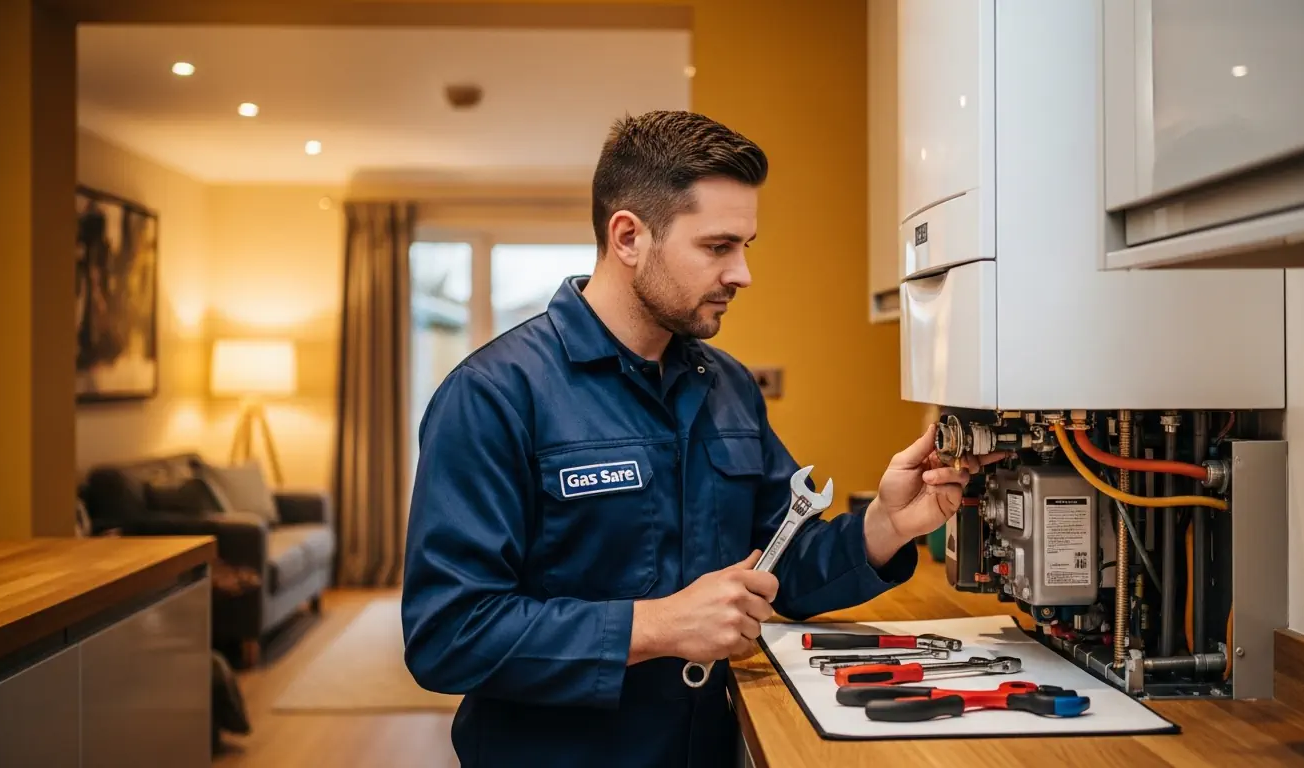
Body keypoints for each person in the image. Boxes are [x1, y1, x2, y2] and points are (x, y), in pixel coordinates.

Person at [401, 110, 1004, 767]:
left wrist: (886, 525)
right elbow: (449, 634)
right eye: (718, 247)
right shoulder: (493, 396)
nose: (742, 273)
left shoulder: (728, 386)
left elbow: (779, 569)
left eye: (746, 246)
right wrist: (654, 626)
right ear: (628, 236)